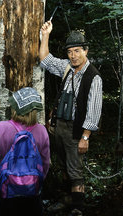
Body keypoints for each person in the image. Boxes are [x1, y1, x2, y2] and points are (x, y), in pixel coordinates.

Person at [39, 20, 103, 213]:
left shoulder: (93, 77)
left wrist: (85, 138)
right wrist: (46, 35)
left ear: (86, 51)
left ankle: (77, 208)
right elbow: (45, 59)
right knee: (63, 165)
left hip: (76, 130)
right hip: (59, 127)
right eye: (70, 52)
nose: (73, 56)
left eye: (77, 51)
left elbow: (94, 111)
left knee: (75, 171)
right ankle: (66, 199)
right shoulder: (67, 67)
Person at [0, 87, 50, 216]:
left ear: (15, 108)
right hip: (32, 190)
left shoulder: (1, 128)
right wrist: (36, 181)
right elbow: (45, 162)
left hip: (5, 189)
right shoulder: (41, 130)